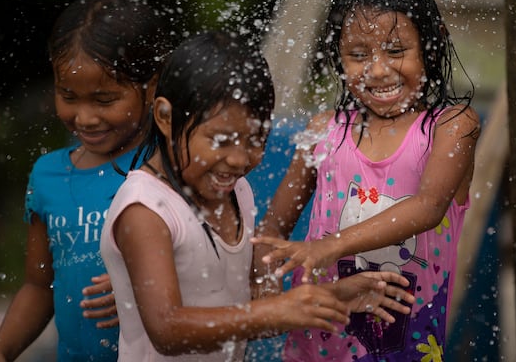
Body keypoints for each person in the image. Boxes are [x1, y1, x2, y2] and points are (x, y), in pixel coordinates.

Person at [99, 30, 415, 361]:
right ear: (165, 117)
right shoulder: (146, 210)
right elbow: (167, 331)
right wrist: (274, 311)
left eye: (255, 140)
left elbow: (251, 316)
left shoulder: (237, 192)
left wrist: (328, 298)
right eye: (221, 140)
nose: (239, 160)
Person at [253, 0, 481, 360]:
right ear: (338, 57)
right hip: (315, 349)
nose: (377, 70)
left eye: (396, 51)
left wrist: (331, 246)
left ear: (432, 44)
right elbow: (272, 229)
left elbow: (427, 207)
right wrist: (267, 288)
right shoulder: (324, 132)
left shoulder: (451, 127)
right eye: (358, 55)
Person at [0, 0, 178, 361]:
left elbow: (217, 265)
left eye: (105, 100)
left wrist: (146, 288)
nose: (85, 118)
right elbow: (39, 286)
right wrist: (0, 350)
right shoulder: (49, 176)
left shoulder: (173, 169)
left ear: (152, 88)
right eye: (68, 96)